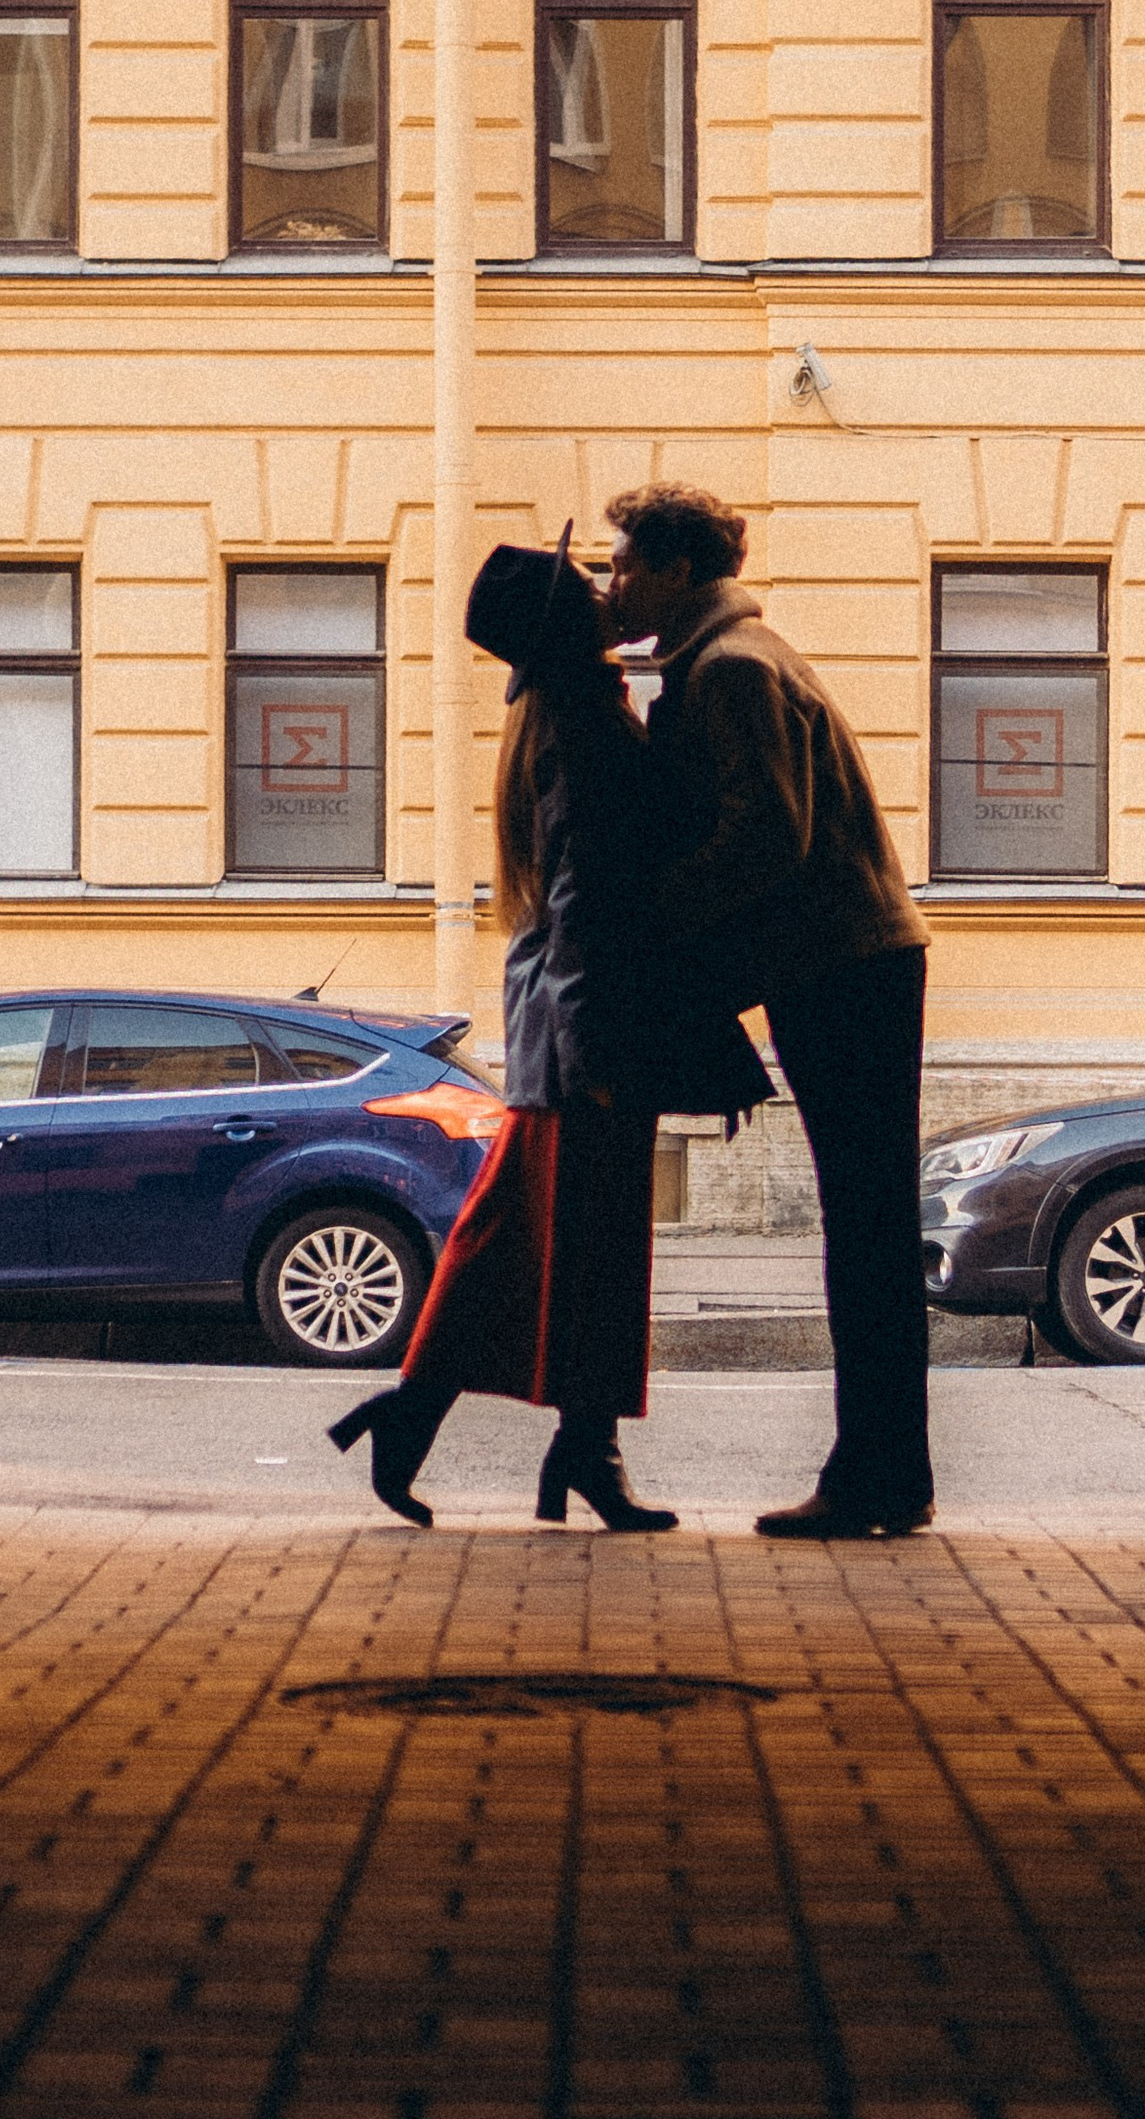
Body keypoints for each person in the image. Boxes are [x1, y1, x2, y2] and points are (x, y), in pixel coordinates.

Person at [328, 526, 768, 1530]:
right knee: (569, 1254)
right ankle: (536, 1444)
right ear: (566, 624)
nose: (603, 589)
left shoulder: (563, 712)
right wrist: (592, 1055)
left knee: (543, 1249)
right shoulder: (588, 727)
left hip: (572, 1033)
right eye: (586, 584)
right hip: (590, 1039)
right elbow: (587, 906)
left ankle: (552, 1444)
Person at [604, 482, 936, 1538]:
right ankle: (889, 1470)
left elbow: (767, 840)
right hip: (853, 961)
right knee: (868, 1222)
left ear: (672, 570)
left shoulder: (733, 671)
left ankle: (875, 1475)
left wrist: (660, 929)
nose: (611, 584)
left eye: (621, 566)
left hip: (841, 965)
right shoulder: (738, 656)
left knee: (865, 1227)